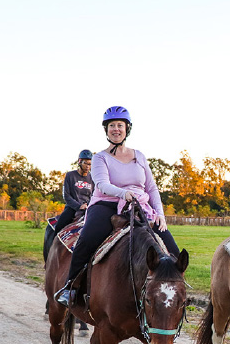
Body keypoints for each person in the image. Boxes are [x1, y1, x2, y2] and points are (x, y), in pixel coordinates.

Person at [55, 106, 179, 307]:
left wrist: (160, 214)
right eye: (111, 125)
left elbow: (152, 187)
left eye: (120, 125)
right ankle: (71, 287)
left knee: (173, 253)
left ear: (127, 129)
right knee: (87, 239)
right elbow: (102, 184)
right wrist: (124, 194)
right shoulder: (99, 158)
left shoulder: (139, 156)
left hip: (141, 206)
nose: (116, 129)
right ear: (106, 130)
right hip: (106, 204)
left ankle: (171, 297)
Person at [53, 149, 95, 235]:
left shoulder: (92, 178)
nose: (88, 166)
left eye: (90, 164)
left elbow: (94, 195)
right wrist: (79, 206)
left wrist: (88, 205)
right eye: (85, 163)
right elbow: (66, 195)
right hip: (72, 208)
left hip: (88, 208)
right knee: (59, 226)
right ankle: (52, 245)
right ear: (80, 162)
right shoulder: (70, 175)